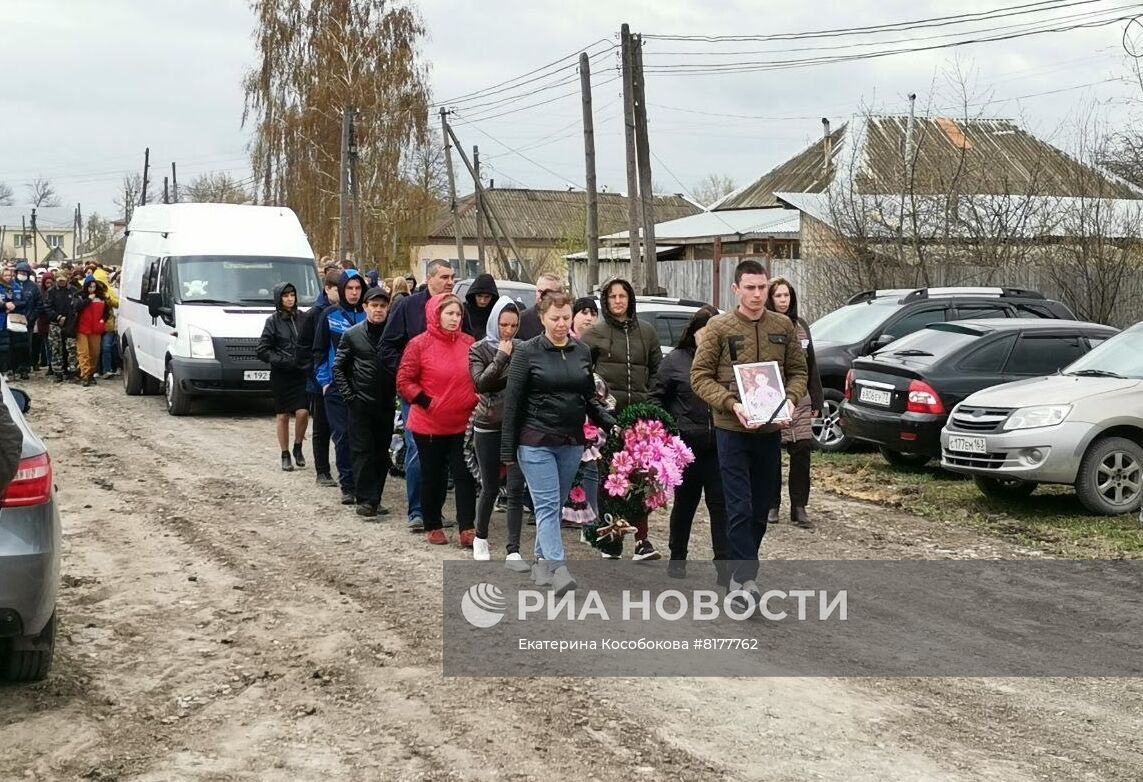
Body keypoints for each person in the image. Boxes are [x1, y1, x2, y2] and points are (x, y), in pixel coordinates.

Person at [691, 260, 808, 606]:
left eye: (762, 288)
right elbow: (700, 376)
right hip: (733, 430)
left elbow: (798, 371)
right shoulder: (719, 327)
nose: (757, 295)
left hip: (770, 430)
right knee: (738, 505)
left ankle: (740, 573)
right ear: (736, 289)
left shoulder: (783, 326)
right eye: (750, 288)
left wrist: (790, 399)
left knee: (759, 509)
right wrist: (731, 403)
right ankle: (745, 580)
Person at [501, 291, 615, 596]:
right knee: (549, 505)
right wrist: (507, 449)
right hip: (535, 440)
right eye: (555, 318)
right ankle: (558, 568)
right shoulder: (526, 352)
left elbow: (587, 396)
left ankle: (540, 562)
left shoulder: (581, 351)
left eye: (566, 318)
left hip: (571, 441)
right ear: (542, 318)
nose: (562, 324)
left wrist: (608, 421)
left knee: (551, 507)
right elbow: (512, 403)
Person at [581, 277, 663, 560]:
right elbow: (583, 375)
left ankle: (643, 541)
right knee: (610, 481)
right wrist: (596, 407)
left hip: (640, 419)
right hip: (606, 419)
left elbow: (657, 371)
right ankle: (611, 538)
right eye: (613, 296)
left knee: (641, 480)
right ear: (605, 300)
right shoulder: (594, 333)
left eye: (623, 296)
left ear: (630, 299)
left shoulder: (648, 332)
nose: (618, 301)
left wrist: (649, 403)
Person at [651, 305, 730, 583]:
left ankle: (724, 564)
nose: (708, 339)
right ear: (693, 333)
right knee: (685, 504)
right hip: (686, 448)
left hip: (720, 444)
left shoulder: (726, 362)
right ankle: (678, 556)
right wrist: (668, 431)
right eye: (703, 333)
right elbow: (656, 398)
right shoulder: (675, 360)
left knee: (720, 506)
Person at [396, 294, 478, 547]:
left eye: (458, 315)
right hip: (429, 424)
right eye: (449, 314)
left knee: (465, 475)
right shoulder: (419, 344)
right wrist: (425, 401)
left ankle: (467, 527)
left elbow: (480, 375)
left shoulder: (470, 343)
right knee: (433, 475)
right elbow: (404, 380)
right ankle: (433, 523)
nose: (455, 319)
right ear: (436, 314)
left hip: (462, 423)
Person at [380, 259, 456, 531]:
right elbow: (387, 346)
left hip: (447, 397)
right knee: (416, 451)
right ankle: (417, 511)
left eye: (452, 277)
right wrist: (407, 378)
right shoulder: (409, 306)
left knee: (443, 454)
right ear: (430, 277)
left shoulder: (456, 309)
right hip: (416, 395)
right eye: (444, 276)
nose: (450, 282)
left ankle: (434, 510)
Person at [468, 296, 529, 569]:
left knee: (515, 488)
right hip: (488, 424)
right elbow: (481, 384)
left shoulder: (524, 348)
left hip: (517, 424)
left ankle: (513, 549)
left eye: (514, 325)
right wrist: (502, 357)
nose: (508, 330)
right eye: (504, 324)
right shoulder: (479, 349)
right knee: (490, 486)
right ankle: (480, 537)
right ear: (495, 322)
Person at [332, 287, 396, 519]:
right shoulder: (352, 334)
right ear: (365, 307)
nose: (378, 310)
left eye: (382, 306)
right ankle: (365, 499)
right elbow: (338, 368)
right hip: (360, 404)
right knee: (362, 452)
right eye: (374, 305)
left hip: (386, 403)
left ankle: (375, 498)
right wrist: (350, 397)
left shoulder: (393, 334)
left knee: (381, 452)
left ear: (388, 308)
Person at [766, 277, 825, 528]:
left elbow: (810, 364)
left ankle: (799, 507)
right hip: (771, 398)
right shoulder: (764, 325)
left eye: (786, 296)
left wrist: (817, 397)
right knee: (770, 455)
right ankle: (771, 504)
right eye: (778, 296)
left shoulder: (801, 325)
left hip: (799, 397)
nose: (782, 300)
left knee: (802, 452)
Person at [314, 270, 367, 504]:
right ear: (342, 290)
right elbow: (318, 351)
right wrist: (324, 382)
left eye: (358, 289)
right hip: (336, 387)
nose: (354, 293)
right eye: (349, 289)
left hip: (364, 387)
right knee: (343, 436)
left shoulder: (369, 314)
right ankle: (348, 485)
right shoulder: (329, 315)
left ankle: (364, 484)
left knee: (363, 438)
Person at [256, 282, 311, 471]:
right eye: (285, 296)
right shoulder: (273, 321)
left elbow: (310, 341)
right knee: (283, 415)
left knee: (303, 412)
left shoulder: (304, 318)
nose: (289, 299)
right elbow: (263, 349)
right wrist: (282, 360)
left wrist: (307, 360)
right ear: (279, 299)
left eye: (292, 295)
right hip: (281, 374)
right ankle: (285, 453)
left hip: (301, 373)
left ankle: (298, 446)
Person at [298, 270, 341, 487]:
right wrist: (316, 374)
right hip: (319, 381)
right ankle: (322, 470)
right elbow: (304, 349)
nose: (343, 292)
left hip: (341, 381)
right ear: (328, 289)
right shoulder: (314, 314)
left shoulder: (346, 313)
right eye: (338, 288)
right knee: (322, 427)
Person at [43, 271, 79, 382]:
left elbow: (77, 306)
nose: (62, 282)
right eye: (59, 280)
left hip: (70, 324)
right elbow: (47, 307)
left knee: (71, 348)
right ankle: (58, 372)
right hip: (55, 324)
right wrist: (58, 317)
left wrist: (69, 319)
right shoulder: (51, 291)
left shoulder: (74, 291)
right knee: (56, 349)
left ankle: (72, 372)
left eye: (63, 280)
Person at [9, 261, 43, 380]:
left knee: (26, 345)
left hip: (28, 321)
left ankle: (25, 368)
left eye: (24, 272)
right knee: (13, 346)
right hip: (12, 321)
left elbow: (39, 304)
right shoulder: (11, 285)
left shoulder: (34, 287)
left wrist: (32, 316)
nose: (22, 274)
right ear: (16, 272)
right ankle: (14, 368)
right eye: (20, 272)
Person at [75, 276, 110, 387]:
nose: (92, 289)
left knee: (95, 353)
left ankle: (91, 373)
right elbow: (77, 307)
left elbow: (107, 312)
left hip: (96, 329)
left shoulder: (101, 298)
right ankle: (85, 375)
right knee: (83, 353)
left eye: (94, 287)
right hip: (82, 328)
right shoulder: (79, 296)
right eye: (90, 286)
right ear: (86, 287)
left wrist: (102, 320)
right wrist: (88, 300)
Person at [515, 273, 564, 341]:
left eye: (548, 292)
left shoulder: (567, 319)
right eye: (540, 291)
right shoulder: (521, 320)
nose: (542, 296)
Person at [93, 267, 120, 378]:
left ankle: (107, 369)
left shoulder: (110, 292)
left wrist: (109, 299)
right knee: (96, 348)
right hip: (94, 324)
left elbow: (118, 303)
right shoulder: (91, 293)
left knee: (106, 346)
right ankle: (97, 369)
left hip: (108, 324)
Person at [462, 272, 499, 339]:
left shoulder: (497, 312)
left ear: (492, 297)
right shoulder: (463, 310)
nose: (482, 300)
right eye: (479, 296)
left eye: (487, 297)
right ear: (473, 295)